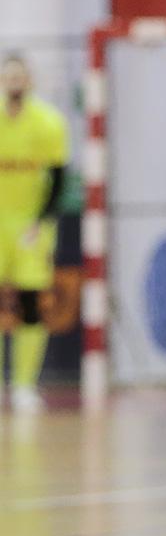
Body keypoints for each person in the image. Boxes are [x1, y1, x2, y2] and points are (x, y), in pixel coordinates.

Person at [0, 53, 68, 412]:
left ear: (29, 81)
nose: (14, 82)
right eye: (8, 76)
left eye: (19, 77)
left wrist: (40, 222)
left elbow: (58, 180)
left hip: (30, 226)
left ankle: (24, 385)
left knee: (29, 304)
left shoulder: (48, 122)